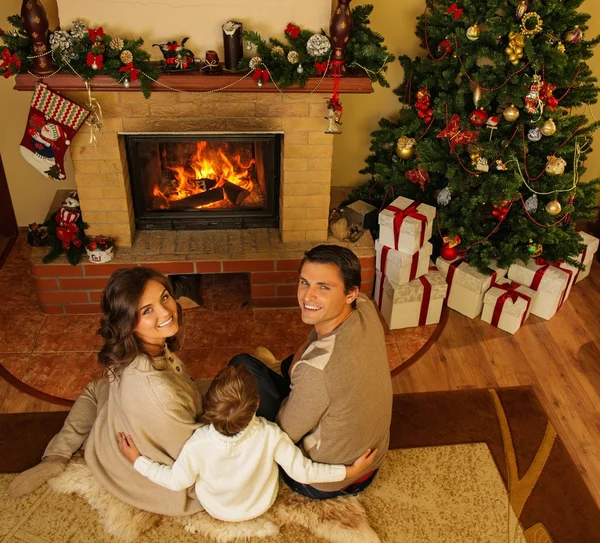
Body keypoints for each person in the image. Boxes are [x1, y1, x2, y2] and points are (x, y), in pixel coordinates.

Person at [9, 267, 205, 516]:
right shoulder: (159, 394)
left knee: (95, 391)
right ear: (128, 323)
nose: (166, 312)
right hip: (158, 481)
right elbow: (195, 450)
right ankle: (55, 461)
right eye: (147, 310)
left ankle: (56, 455)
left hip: (112, 435)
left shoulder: (126, 354)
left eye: (164, 297)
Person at [229, 244, 393, 499]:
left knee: (241, 367)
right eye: (305, 282)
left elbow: (284, 434)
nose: (308, 296)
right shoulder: (365, 306)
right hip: (373, 459)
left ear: (350, 293)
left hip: (327, 480)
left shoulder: (317, 371)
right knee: (290, 366)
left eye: (324, 287)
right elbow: (311, 342)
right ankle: (297, 385)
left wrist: (300, 373)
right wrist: (298, 367)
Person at [117, 364, 377, 522]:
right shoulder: (270, 434)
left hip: (216, 508)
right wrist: (350, 471)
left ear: (208, 406)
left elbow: (176, 480)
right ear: (257, 405)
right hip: (261, 504)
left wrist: (137, 460)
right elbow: (303, 471)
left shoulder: (198, 443)